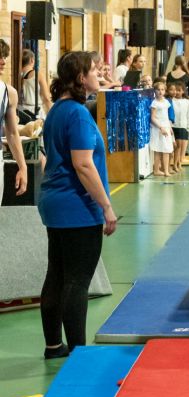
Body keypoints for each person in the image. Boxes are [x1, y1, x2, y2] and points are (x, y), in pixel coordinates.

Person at [37, 51, 116, 358]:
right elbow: (83, 165)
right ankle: (79, 352)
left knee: (56, 274)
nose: (99, 75)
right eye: (95, 71)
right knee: (77, 280)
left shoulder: (57, 109)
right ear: (82, 78)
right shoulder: (78, 114)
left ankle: (54, 345)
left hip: (54, 202)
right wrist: (106, 207)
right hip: (76, 207)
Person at [0, 38, 28, 204]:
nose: (3, 61)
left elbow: (12, 132)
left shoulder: (9, 93)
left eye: (4, 57)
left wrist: (22, 166)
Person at [17, 48, 52, 122]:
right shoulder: (38, 75)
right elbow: (46, 98)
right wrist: (52, 114)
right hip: (37, 113)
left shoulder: (17, 76)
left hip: (23, 112)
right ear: (32, 60)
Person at [150, 79, 175, 176]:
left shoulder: (166, 102)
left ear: (165, 91)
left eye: (162, 90)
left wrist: (170, 127)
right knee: (159, 149)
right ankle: (160, 170)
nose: (160, 92)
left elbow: (166, 116)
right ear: (155, 91)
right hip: (158, 128)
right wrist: (161, 127)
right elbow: (153, 118)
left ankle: (164, 170)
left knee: (167, 149)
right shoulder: (154, 103)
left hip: (166, 126)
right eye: (158, 90)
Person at [170, 81, 189, 171]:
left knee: (180, 146)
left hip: (183, 126)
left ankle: (178, 163)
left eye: (179, 90)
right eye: (175, 90)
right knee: (175, 146)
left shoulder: (186, 102)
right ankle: (174, 164)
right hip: (174, 126)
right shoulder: (171, 101)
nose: (177, 92)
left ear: (183, 91)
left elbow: (188, 115)